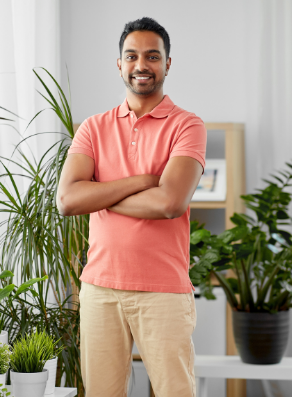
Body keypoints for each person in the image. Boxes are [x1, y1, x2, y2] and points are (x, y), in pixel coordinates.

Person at [56, 16, 206, 397]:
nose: (142, 65)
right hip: (100, 289)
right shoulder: (93, 128)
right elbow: (68, 199)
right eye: (132, 56)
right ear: (119, 64)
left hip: (164, 291)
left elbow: (170, 203)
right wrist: (142, 181)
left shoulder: (187, 126)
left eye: (153, 56)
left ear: (167, 64)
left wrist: (100, 193)